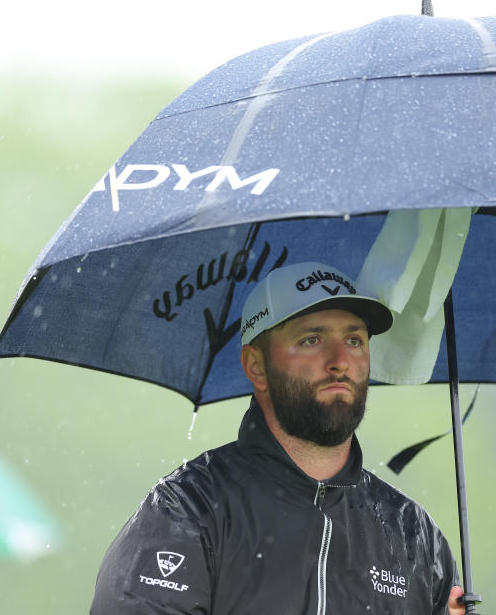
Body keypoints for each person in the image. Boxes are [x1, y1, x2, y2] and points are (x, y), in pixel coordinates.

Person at [90, 261, 466, 614]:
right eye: (312, 339)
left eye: (354, 340)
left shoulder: (412, 534)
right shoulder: (185, 511)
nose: (340, 359)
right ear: (256, 366)